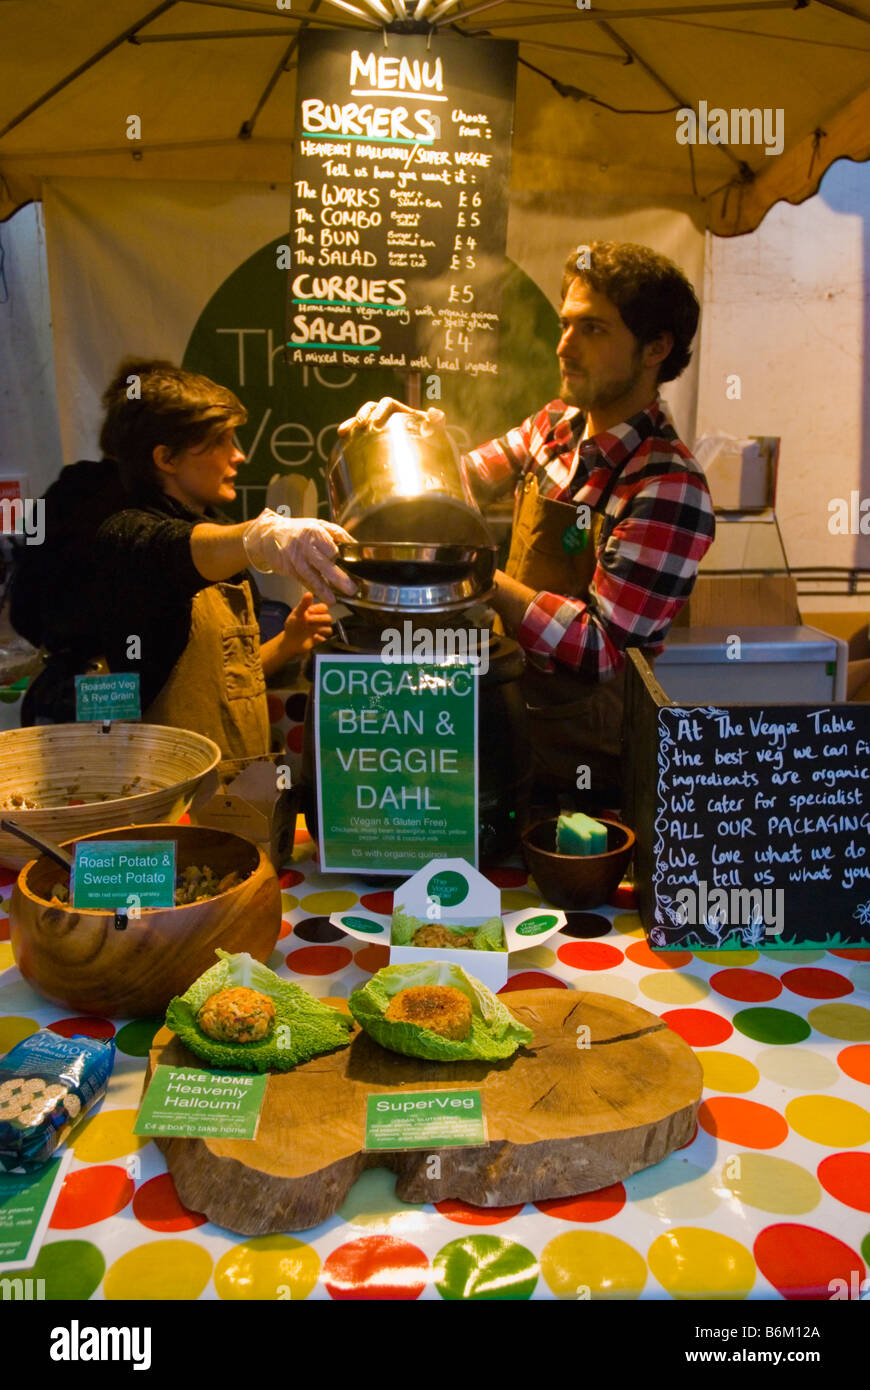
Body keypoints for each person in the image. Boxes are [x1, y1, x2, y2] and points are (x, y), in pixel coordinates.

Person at [339, 241, 715, 804]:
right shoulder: (554, 427)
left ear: (655, 348)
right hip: (506, 712)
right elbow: (456, 483)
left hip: (588, 768)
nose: (565, 347)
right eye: (566, 325)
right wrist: (411, 440)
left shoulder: (668, 488)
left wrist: (478, 579)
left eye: (593, 330)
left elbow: (603, 651)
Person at [88, 359, 356, 758]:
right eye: (222, 442)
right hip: (174, 804)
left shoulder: (218, 533)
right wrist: (260, 536)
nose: (240, 456)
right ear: (166, 459)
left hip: (238, 790)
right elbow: (177, 548)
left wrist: (288, 642)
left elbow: (227, 683)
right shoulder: (128, 538)